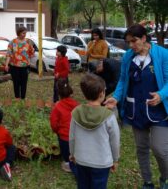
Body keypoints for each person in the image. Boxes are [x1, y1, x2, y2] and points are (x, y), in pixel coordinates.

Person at [104, 24, 168, 189]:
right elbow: (123, 80)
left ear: (144, 38)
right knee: (141, 148)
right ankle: (147, 181)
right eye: (128, 42)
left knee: (160, 149)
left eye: (134, 41)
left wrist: (162, 95)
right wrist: (116, 98)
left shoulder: (162, 54)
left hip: (159, 110)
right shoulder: (128, 57)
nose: (131, 45)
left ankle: (165, 178)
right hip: (136, 110)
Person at [69, 73, 120, 189]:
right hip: (102, 162)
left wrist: (72, 154)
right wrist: (115, 159)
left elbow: (71, 137)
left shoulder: (76, 112)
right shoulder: (109, 116)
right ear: (102, 93)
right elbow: (115, 141)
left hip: (81, 159)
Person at [50, 78, 79, 174]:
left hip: (64, 137)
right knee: (75, 152)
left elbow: (54, 124)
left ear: (59, 93)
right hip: (77, 136)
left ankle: (68, 163)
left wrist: (57, 130)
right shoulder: (77, 105)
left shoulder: (57, 106)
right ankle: (76, 161)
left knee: (67, 154)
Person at [4, 26, 34, 99]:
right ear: (19, 33)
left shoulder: (28, 42)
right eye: (23, 33)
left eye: (25, 33)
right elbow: (9, 54)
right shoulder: (13, 42)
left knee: (24, 83)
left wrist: (29, 61)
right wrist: (6, 64)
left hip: (25, 67)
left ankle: (23, 98)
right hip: (14, 67)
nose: (24, 34)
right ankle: (17, 98)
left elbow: (31, 54)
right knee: (16, 83)